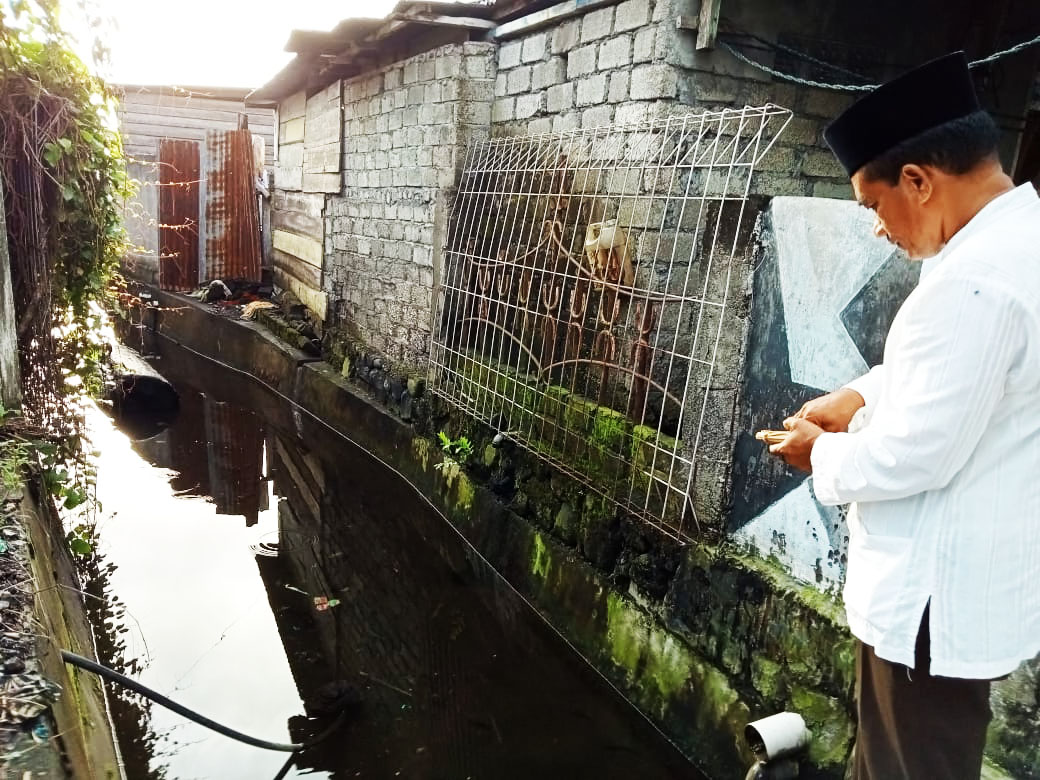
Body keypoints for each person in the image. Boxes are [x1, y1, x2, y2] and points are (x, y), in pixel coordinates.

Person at [769, 51, 1040, 779]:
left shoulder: (973, 283)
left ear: (918, 181)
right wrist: (861, 395)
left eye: (872, 204)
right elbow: (960, 378)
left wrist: (816, 455)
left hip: (928, 606)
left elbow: (913, 455)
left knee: (902, 768)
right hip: (963, 591)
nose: (879, 229)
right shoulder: (1019, 245)